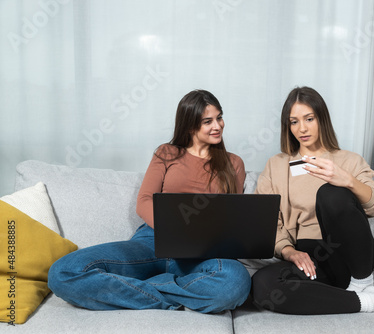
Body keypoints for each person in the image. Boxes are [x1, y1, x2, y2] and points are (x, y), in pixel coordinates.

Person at [48, 89, 251, 313]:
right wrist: (174, 230)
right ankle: (176, 294)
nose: (218, 126)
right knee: (64, 271)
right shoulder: (167, 153)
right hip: (153, 241)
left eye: (219, 117)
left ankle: (148, 288)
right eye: (208, 121)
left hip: (204, 253)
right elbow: (144, 200)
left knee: (235, 282)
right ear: (190, 125)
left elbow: (233, 215)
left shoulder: (233, 163)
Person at [251, 86, 374, 314]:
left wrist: (346, 180)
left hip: (349, 255)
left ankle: (363, 282)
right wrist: (288, 251)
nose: (302, 128)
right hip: (309, 259)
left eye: (309, 119)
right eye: (294, 122)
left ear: (321, 119)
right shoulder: (276, 165)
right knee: (264, 286)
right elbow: (267, 220)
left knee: (330, 193)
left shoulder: (349, 160)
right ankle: (370, 301)